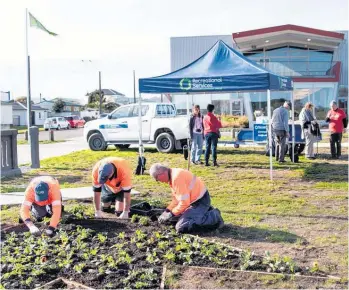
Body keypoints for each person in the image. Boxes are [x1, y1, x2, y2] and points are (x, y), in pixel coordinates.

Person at [149, 163, 224, 233]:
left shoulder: (176, 178)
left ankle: (215, 216)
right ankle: (204, 212)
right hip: (194, 201)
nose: (157, 181)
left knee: (182, 227)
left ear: (161, 174)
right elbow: (176, 199)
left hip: (200, 202)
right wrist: (167, 211)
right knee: (174, 219)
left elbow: (184, 203)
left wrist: (171, 214)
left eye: (156, 178)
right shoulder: (172, 175)